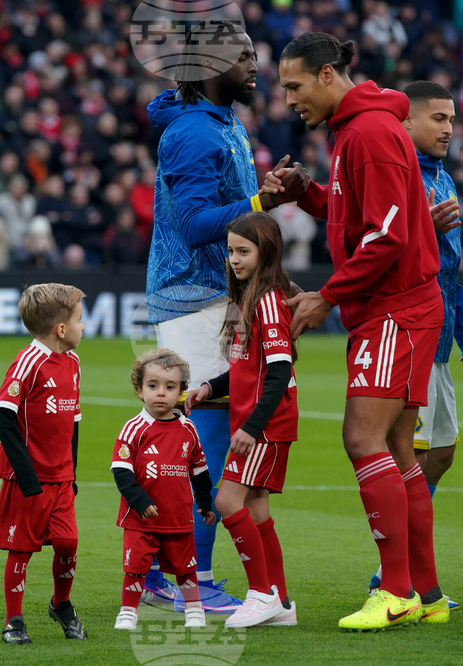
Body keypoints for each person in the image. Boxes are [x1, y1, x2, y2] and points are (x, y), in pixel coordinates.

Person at [267, 32, 446, 631]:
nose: (288, 99)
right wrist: (309, 195)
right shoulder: (356, 129)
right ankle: (427, 592)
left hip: (395, 307)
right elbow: (363, 214)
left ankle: (394, 590)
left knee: (362, 439)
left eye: (294, 85)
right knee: (396, 447)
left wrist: (327, 296)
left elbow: (387, 238)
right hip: (396, 306)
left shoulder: (368, 133)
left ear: (325, 74)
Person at [145, 18, 307, 613]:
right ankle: (188, 578)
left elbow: (223, 209)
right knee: (207, 439)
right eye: (242, 56)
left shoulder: (220, 122)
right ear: (210, 67)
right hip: (193, 296)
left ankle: (192, 574)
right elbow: (192, 227)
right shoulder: (193, 132)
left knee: (214, 436)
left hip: (217, 294)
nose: (254, 64)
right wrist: (262, 201)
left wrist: (259, 193)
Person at [359, 80, 463, 612]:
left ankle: (406, 566)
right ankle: (396, 576)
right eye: (438, 118)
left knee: (442, 454)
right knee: (407, 457)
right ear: (405, 122)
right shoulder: (399, 175)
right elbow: (380, 249)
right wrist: (421, 230)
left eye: (452, 119)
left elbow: (449, 271)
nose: (449, 128)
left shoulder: (442, 179)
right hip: (407, 334)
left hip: (437, 338)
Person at [186, 212, 299, 628]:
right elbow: (244, 367)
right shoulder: (251, 295)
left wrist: (252, 427)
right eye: (231, 250)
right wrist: (209, 389)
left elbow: (279, 369)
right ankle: (280, 601)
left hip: (265, 425)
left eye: (243, 251)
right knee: (256, 511)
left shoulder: (269, 299)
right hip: (264, 423)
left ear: (265, 251)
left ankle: (260, 594)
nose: (234, 258)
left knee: (226, 501)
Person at [0, 283, 87, 645]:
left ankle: (60, 604)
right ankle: (13, 620)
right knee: (23, 548)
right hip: (27, 479)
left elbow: (74, 420)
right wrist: (27, 476)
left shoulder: (74, 363)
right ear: (61, 329)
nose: (84, 326)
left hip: (61, 477)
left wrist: (72, 472)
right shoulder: (29, 361)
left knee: (68, 543)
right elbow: (3, 413)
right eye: (80, 319)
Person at [110, 349, 215, 631]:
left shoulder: (188, 430)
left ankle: (194, 611)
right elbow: (121, 470)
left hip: (178, 516)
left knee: (186, 567)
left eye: (170, 387)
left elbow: (199, 470)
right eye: (153, 386)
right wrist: (140, 501)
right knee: (135, 566)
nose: (161, 393)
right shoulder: (134, 428)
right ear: (139, 390)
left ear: (181, 391)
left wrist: (205, 502)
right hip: (141, 518)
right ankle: (128, 612)